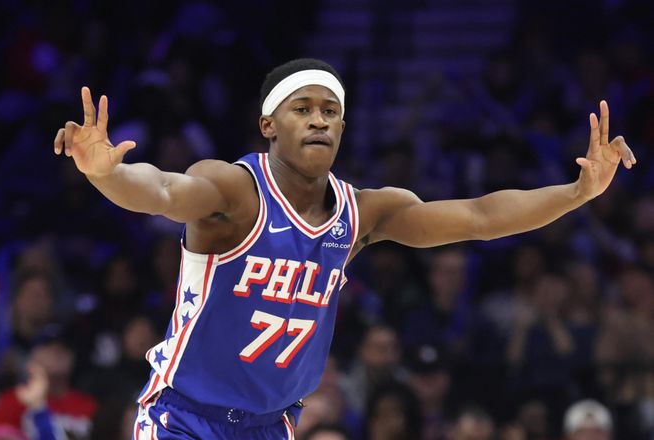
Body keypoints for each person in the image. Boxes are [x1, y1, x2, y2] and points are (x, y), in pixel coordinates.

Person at [53, 58, 636, 439]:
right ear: (268, 125)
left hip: (271, 425)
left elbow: (480, 217)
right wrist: (107, 174)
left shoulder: (363, 213)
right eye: (302, 109)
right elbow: (161, 189)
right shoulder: (234, 189)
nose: (319, 121)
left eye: (330, 112)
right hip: (184, 416)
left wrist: (577, 192)